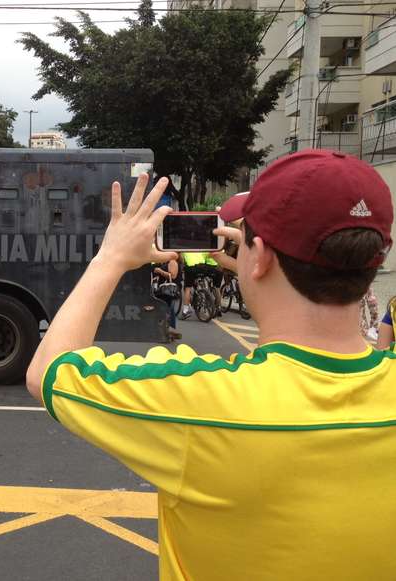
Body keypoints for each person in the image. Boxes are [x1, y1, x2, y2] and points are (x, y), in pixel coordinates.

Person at [26, 150, 396, 580]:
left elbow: (49, 372)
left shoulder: (202, 402)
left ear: (261, 256)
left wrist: (111, 257)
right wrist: (262, 273)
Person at [178, 251, 222, 319]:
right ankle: (204, 291)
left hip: (191, 267)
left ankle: (185, 311)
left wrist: (183, 264)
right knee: (205, 278)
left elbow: (181, 259)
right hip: (202, 267)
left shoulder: (184, 248)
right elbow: (207, 256)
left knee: (188, 288)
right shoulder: (200, 246)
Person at [153, 258, 182, 340]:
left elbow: (172, 275)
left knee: (168, 308)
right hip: (166, 290)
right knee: (166, 308)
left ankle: (169, 330)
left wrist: (159, 271)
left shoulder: (172, 261)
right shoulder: (167, 261)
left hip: (169, 290)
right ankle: (166, 330)